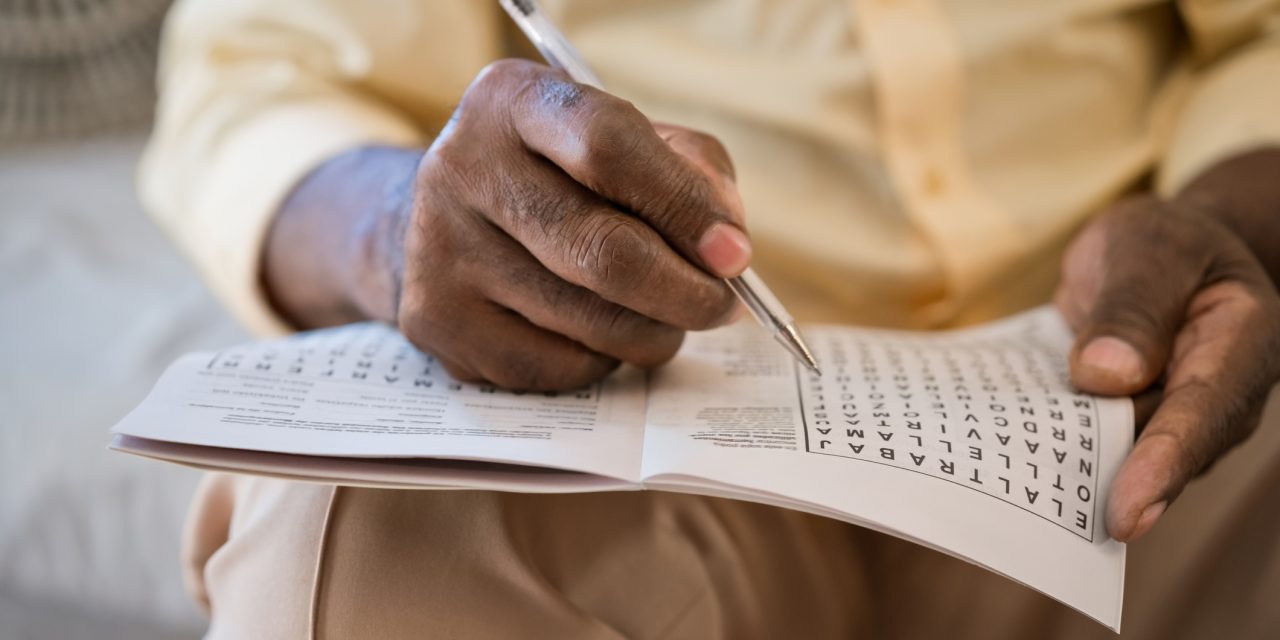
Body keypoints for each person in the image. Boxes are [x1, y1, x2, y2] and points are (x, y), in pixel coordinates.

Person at [140, 0, 1280, 637]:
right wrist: (397, 225)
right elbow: (259, 81)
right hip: (672, 435)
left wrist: (1227, 216)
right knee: (355, 534)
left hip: (1143, 386)